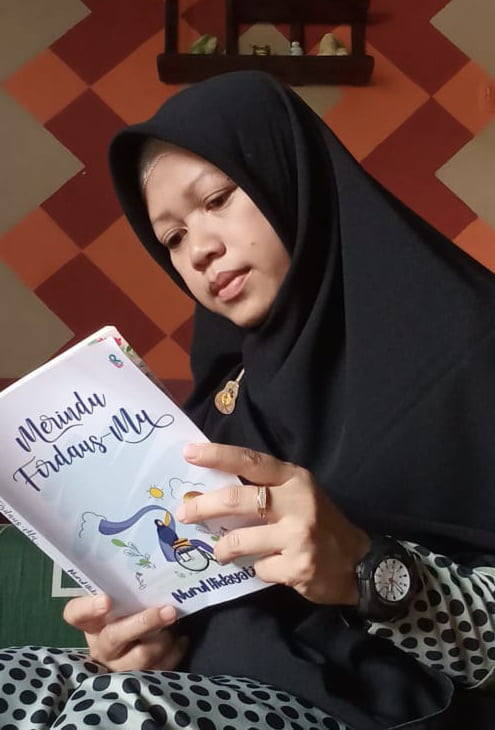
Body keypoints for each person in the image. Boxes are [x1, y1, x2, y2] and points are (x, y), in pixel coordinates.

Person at [2, 70, 495, 730]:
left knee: (125, 714)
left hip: (369, 704)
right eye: (172, 238)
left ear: (288, 176)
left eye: (216, 199)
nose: (199, 250)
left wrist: (365, 566)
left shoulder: (470, 346)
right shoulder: (226, 395)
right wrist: (140, 643)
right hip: (205, 679)